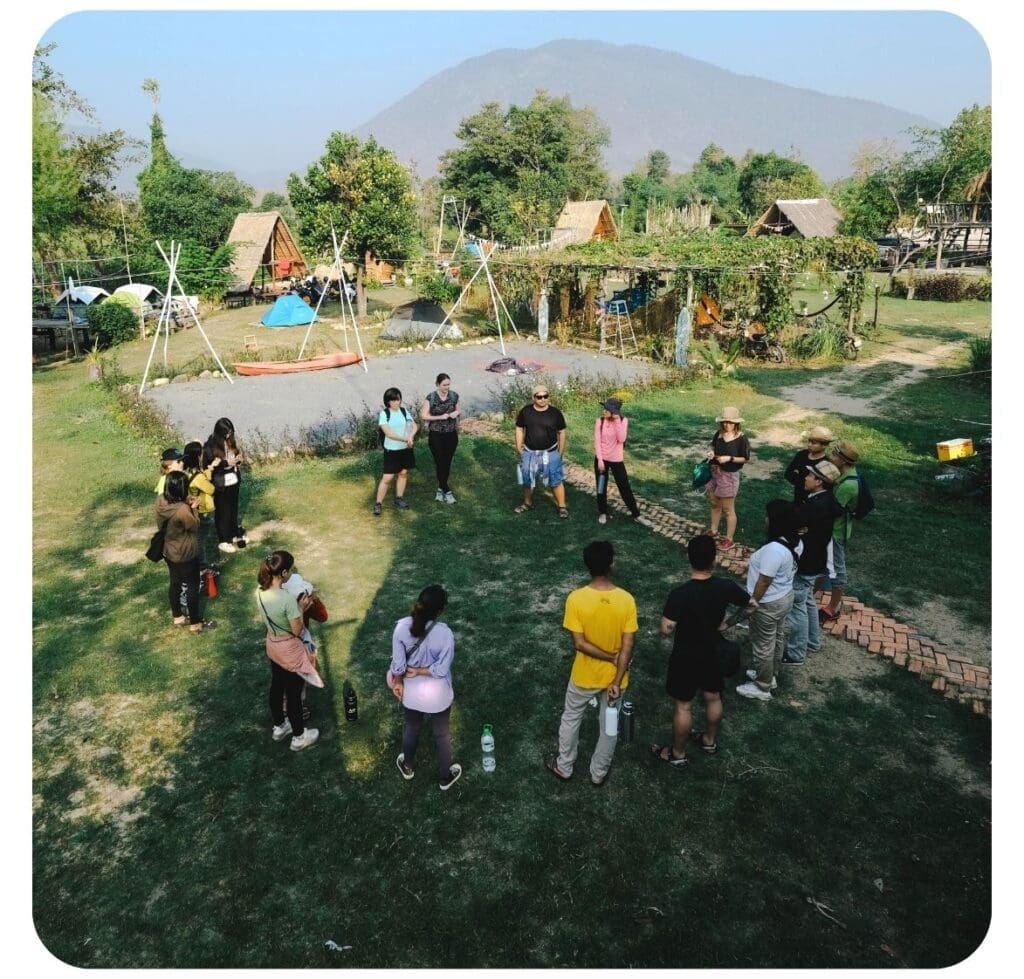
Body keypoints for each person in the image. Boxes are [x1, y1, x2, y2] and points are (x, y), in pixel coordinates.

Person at [653, 535, 753, 767]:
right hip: (713, 649)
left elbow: (666, 628)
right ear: (714, 560)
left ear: (689, 559)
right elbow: (751, 605)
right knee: (713, 696)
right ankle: (709, 741)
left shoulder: (681, 593)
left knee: (683, 705)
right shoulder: (725, 587)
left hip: (686, 654)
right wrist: (727, 624)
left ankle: (678, 754)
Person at [545, 540, 637, 786]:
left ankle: (564, 766)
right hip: (615, 679)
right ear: (611, 565)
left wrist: (607, 656)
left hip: (584, 675)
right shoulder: (626, 600)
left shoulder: (576, 599)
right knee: (609, 724)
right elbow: (627, 645)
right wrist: (617, 675)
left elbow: (580, 644)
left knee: (572, 716)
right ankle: (598, 773)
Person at [389, 584, 462, 790]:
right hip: (438, 696)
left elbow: (398, 666)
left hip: (411, 694)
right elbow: (441, 669)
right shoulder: (445, 633)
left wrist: (400, 681)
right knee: (442, 734)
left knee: (412, 727)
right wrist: (423, 671)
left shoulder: (401, 628)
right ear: (440, 610)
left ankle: (408, 765)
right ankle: (445, 776)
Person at [735, 501, 802, 701]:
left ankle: (762, 687)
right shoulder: (795, 541)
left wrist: (753, 601)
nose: (765, 519)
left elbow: (764, 580)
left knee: (763, 644)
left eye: (768, 517)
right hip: (784, 596)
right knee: (777, 638)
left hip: (767, 603)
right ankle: (771, 675)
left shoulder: (774, 549)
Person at [256, 551, 322, 752]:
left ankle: (279, 726)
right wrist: (301, 609)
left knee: (276, 686)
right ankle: (299, 737)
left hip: (272, 645)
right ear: (283, 573)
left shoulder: (259, 591)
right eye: (291, 570)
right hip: (289, 650)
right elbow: (297, 630)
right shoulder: (287, 599)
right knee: (293, 693)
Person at [782, 460, 841, 666]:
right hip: (817, 561)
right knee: (808, 601)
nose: (805, 478)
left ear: (819, 482)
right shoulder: (825, 500)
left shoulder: (816, 505)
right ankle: (813, 641)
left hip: (807, 562)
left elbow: (793, 522)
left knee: (796, 607)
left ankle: (796, 653)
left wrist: (800, 528)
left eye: (809, 475)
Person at [155, 470, 215, 634]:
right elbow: (194, 526)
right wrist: (194, 509)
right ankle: (195, 623)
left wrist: (186, 503)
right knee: (192, 587)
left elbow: (176, 511)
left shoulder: (160, 501)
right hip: (186, 554)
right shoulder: (182, 510)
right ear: (181, 489)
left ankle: (178, 616)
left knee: (174, 583)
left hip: (169, 551)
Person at [821, 442, 861, 623]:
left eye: (835, 455)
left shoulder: (848, 485)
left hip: (837, 533)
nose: (831, 457)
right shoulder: (844, 475)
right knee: (823, 563)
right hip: (831, 529)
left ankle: (833, 607)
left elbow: (833, 509)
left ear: (843, 461)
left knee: (837, 569)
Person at [515, 384, 569, 518]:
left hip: (551, 452)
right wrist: (518, 446)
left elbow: (561, 432)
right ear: (534, 398)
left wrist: (560, 452)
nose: (543, 399)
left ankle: (562, 507)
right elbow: (519, 428)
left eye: (546, 396)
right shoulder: (526, 412)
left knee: (556, 479)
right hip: (530, 452)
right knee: (527, 478)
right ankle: (527, 503)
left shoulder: (555, 413)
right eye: (539, 397)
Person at [592, 397, 648, 526]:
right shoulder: (599, 421)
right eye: (604, 408)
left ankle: (636, 514)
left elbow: (621, 439)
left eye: (607, 409)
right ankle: (602, 512)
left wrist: (617, 420)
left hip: (616, 460)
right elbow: (597, 442)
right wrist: (600, 460)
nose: (604, 411)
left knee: (624, 487)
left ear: (614, 412)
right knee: (601, 487)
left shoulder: (623, 420)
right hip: (602, 460)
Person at [705, 407, 750, 551]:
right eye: (724, 422)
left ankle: (729, 539)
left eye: (730, 422)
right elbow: (713, 446)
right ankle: (714, 530)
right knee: (714, 503)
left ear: (736, 423)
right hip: (714, 472)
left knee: (728, 509)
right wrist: (711, 453)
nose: (726, 425)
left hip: (728, 476)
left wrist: (729, 458)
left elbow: (745, 458)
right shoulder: (718, 434)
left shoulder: (741, 438)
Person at [375, 387, 418, 516]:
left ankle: (399, 499)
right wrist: (405, 438)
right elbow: (388, 433)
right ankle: (378, 504)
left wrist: (411, 436)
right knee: (387, 477)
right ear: (387, 402)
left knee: (403, 473)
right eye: (393, 400)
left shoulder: (404, 412)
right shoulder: (384, 414)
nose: (396, 403)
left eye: (398, 399)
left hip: (405, 450)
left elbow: (414, 425)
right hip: (392, 451)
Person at [421, 373, 461, 504]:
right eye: (444, 385)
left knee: (447, 462)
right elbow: (424, 416)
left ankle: (440, 489)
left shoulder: (454, 396)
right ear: (437, 384)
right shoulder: (431, 397)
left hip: (451, 434)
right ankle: (447, 491)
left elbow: (458, 410)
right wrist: (440, 417)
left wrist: (455, 413)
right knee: (439, 462)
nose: (447, 387)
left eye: (448, 384)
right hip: (436, 435)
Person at [209, 417, 246, 554]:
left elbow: (236, 454)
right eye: (227, 433)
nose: (229, 435)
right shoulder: (211, 446)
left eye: (230, 432)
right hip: (221, 483)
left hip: (233, 481)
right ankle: (224, 539)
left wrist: (238, 460)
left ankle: (234, 533)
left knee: (233, 509)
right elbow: (210, 465)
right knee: (222, 512)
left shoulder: (231, 442)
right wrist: (226, 464)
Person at [182, 441, 216, 570]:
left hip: (196, 508)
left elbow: (199, 478)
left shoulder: (188, 472)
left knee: (199, 537)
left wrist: (209, 469)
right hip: (204, 509)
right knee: (203, 538)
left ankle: (198, 560)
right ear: (197, 456)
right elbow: (211, 489)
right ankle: (202, 563)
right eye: (201, 453)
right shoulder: (199, 477)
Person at [783, 426, 835, 504]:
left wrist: (797, 475)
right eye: (809, 441)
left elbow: (825, 487)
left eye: (814, 443)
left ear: (824, 445)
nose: (809, 445)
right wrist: (807, 482)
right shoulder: (802, 454)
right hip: (797, 498)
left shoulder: (826, 464)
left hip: (813, 503)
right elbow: (788, 474)